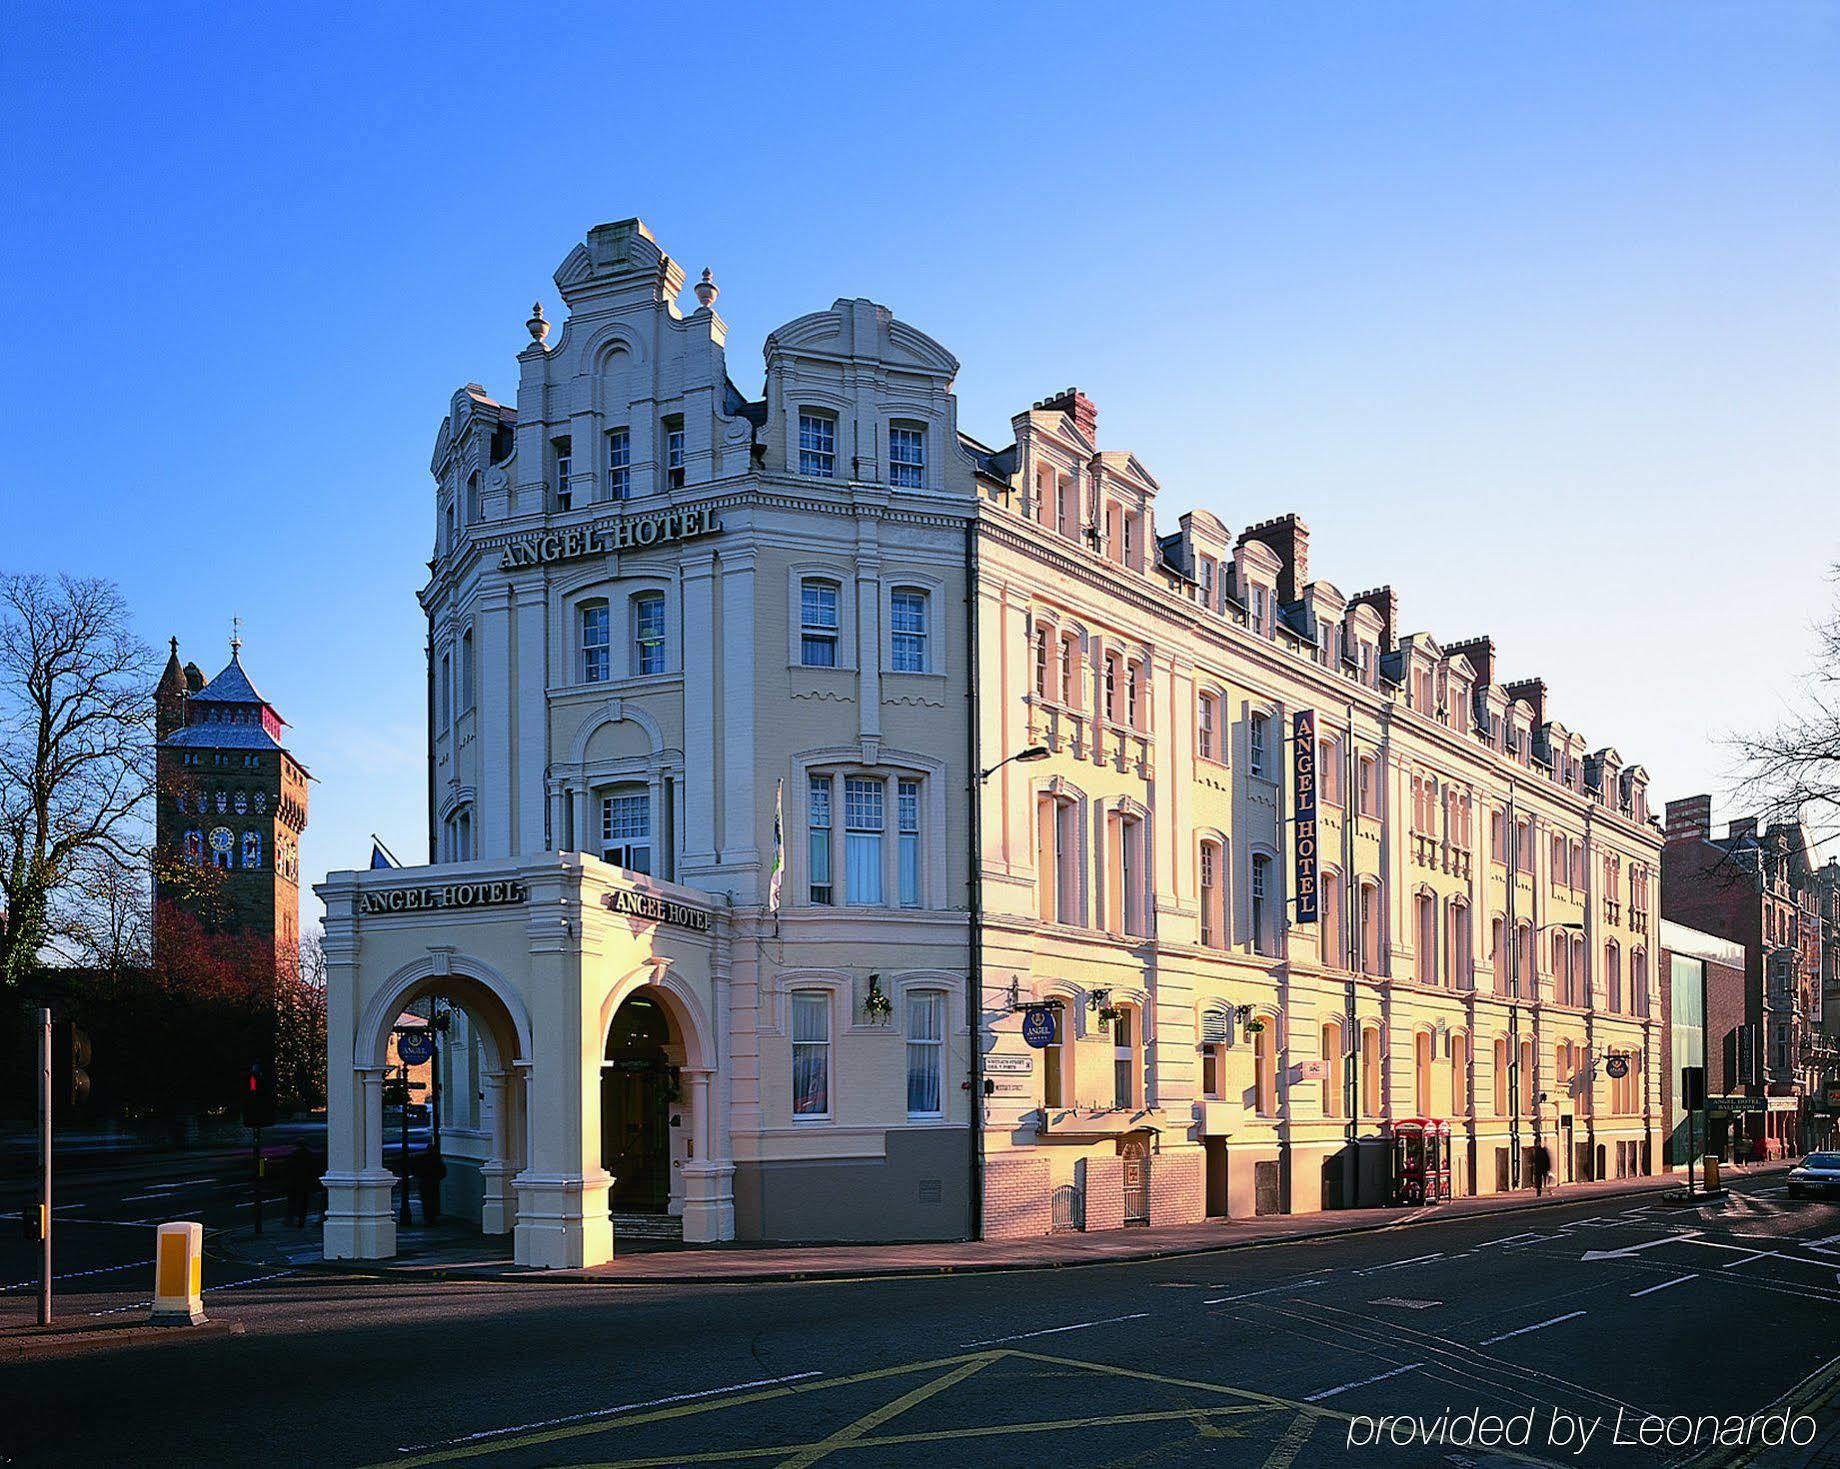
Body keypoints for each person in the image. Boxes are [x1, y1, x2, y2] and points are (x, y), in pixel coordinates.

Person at [282, 1142, 317, 1227]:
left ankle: (291, 1219)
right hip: (305, 1182)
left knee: (292, 1202)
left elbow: (287, 1167)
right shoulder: (309, 1155)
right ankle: (301, 1220)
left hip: (294, 1182)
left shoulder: (293, 1155)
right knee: (303, 1202)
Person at [412, 1142, 447, 1226]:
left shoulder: (423, 1159)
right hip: (433, 1182)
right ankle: (432, 1217)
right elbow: (443, 1172)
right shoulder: (437, 1160)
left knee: (426, 1201)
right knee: (432, 1200)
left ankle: (428, 1217)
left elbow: (416, 1169)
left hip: (425, 1182)